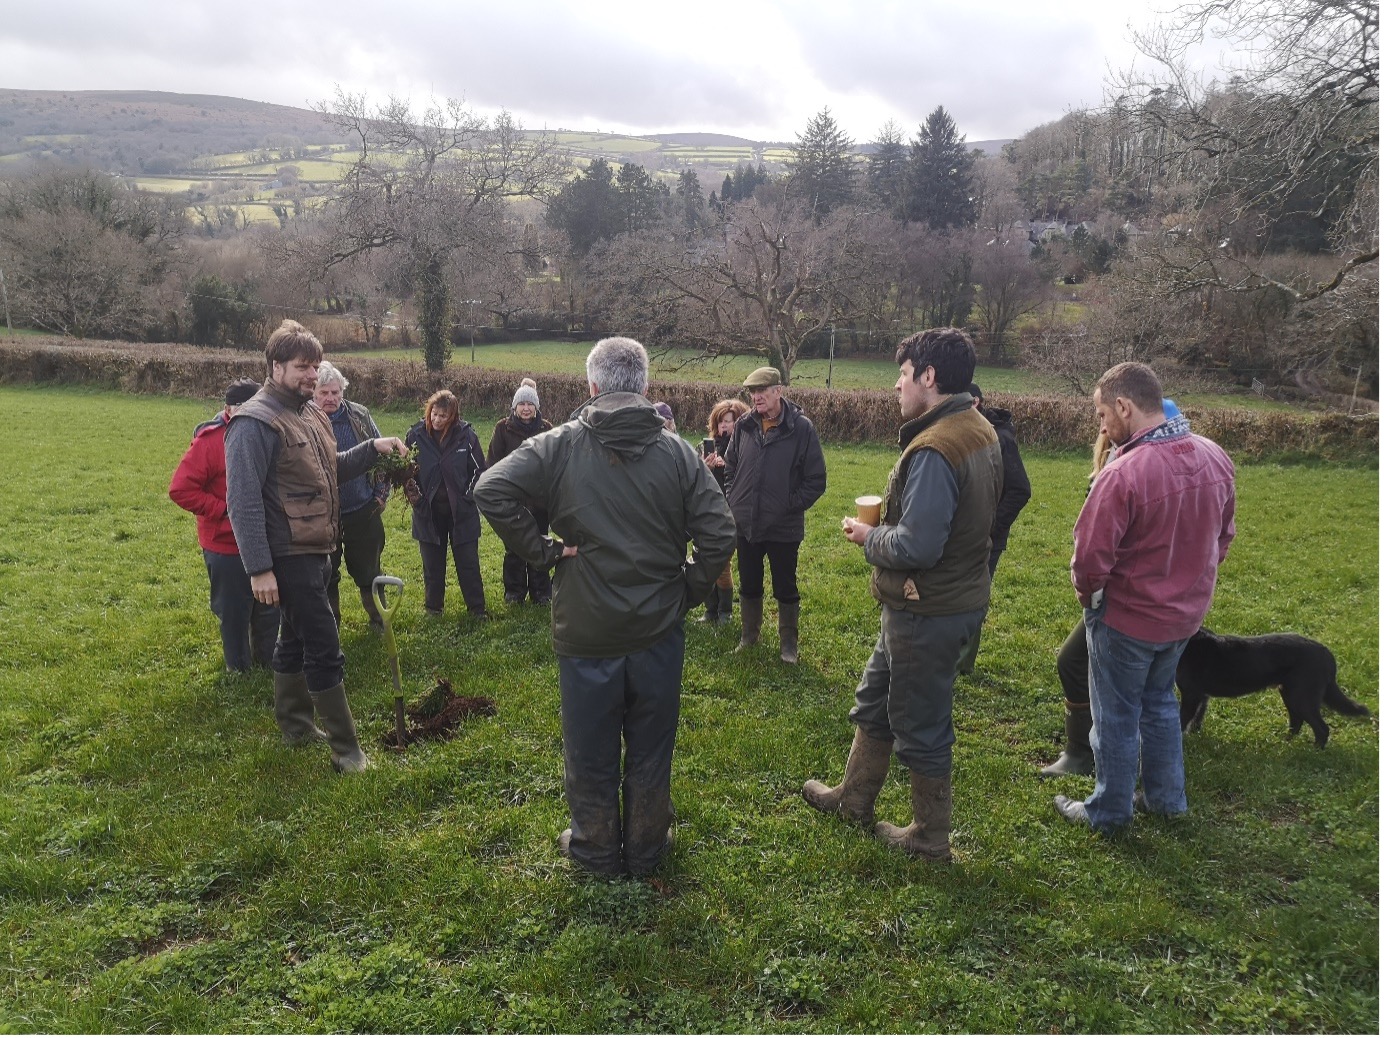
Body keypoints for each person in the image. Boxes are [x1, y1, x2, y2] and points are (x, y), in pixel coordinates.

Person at [474, 336, 736, 878]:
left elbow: (490, 489)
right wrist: (689, 589)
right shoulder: (680, 452)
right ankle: (646, 846)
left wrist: (542, 551)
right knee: (651, 741)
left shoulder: (559, 444)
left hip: (587, 629)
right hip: (657, 629)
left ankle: (594, 849)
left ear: (592, 387)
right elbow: (719, 532)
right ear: (645, 388)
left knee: (589, 745)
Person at [803, 328, 1001, 862]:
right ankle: (854, 798)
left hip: (926, 607)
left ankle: (930, 837)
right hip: (931, 603)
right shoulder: (977, 425)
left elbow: (917, 545)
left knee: (922, 721)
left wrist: (870, 537)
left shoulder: (938, 447)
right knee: (876, 698)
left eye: (904, 373)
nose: (896, 384)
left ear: (928, 377)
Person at [1055, 365, 1235, 832]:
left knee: (1115, 718)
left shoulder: (1124, 473)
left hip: (1127, 620)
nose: (1101, 426)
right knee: (1158, 704)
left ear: (1124, 406)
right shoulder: (1215, 456)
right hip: (1184, 620)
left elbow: (1089, 559)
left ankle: (1109, 812)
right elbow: (1223, 536)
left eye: (1101, 413)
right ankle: (1167, 799)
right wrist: (1192, 586)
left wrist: (1090, 600)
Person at [225, 319, 407, 773]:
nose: (312, 375)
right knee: (324, 644)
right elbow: (242, 500)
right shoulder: (255, 421)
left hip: (318, 547)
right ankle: (348, 752)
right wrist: (259, 569)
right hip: (289, 555)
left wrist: (374, 447)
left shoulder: (308, 413)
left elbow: (331, 468)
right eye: (302, 366)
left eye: (316, 366)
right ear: (275, 366)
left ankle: (296, 725)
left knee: (293, 637)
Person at [169, 377, 280, 673]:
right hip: (225, 545)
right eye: (239, 407)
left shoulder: (271, 433)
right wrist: (225, 511)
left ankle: (268, 661)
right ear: (227, 409)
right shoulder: (209, 442)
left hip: (266, 538)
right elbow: (180, 489)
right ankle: (238, 668)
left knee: (269, 606)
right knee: (233, 611)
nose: (246, 412)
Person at [723, 366, 827, 664]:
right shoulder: (744, 424)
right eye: (752, 393)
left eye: (762, 392)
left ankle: (788, 646)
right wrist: (734, 498)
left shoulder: (801, 428)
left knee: (785, 586)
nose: (755, 398)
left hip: (783, 527)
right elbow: (730, 467)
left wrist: (788, 505)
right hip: (746, 524)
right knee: (750, 583)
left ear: (778, 391)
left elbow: (816, 480)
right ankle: (749, 636)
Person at [1038, 430, 1113, 777]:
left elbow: (1096, 543)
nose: (1101, 428)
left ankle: (1083, 753)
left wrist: (1088, 588)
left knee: (1072, 660)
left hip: (1120, 593)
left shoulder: (1129, 467)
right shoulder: (1114, 459)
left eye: (1104, 414)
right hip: (1152, 596)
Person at [957, 381, 1032, 674]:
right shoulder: (970, 433)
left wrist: (989, 528)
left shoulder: (1000, 439)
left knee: (974, 599)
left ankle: (962, 663)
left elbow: (1020, 490)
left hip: (987, 540)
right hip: (965, 535)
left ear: (974, 402)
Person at [312, 361, 389, 631]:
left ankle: (379, 620)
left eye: (336, 392)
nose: (331, 398)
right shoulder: (304, 419)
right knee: (326, 575)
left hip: (362, 509)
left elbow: (381, 454)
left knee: (369, 571)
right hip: (322, 515)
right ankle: (330, 626)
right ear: (313, 392)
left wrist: (380, 494)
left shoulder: (359, 415)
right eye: (324, 393)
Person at [404, 390, 489, 618]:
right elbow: (406, 471)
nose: (437, 419)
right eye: (434, 413)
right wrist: (417, 499)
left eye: (443, 416)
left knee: (468, 563)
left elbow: (479, 470)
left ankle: (477, 609)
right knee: (432, 565)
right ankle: (433, 608)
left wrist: (467, 498)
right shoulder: (415, 436)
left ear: (453, 417)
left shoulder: (467, 437)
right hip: (428, 512)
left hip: (461, 512)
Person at [487, 379, 554, 605]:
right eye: (522, 403)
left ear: (537, 407)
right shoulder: (502, 429)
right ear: (514, 407)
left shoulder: (547, 429)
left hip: (540, 503)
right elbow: (493, 463)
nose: (526, 408)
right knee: (514, 550)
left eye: (530, 404)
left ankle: (542, 592)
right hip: (513, 502)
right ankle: (514, 592)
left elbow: (554, 463)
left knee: (540, 545)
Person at [699, 398, 749, 625]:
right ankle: (710, 610)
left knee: (722, 565)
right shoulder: (707, 447)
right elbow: (696, 482)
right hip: (707, 514)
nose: (725, 426)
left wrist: (727, 465)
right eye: (721, 421)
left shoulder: (745, 448)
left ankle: (725, 612)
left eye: (730, 421)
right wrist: (705, 467)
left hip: (730, 515)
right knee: (704, 563)